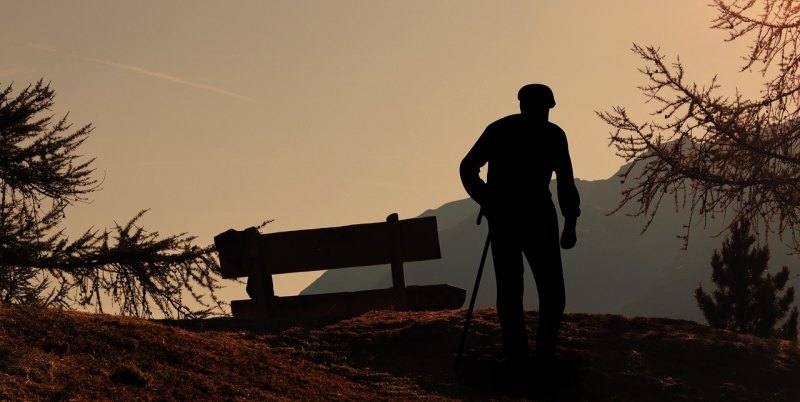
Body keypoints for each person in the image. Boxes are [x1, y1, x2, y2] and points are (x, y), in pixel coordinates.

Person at [459, 83, 580, 370]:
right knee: (520, 290)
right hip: (518, 216)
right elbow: (467, 167)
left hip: (518, 216)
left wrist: (571, 221)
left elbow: (565, 181)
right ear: (526, 107)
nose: (544, 114)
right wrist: (486, 198)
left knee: (542, 291)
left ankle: (534, 357)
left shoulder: (524, 132)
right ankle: (524, 358)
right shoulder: (523, 132)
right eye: (542, 108)